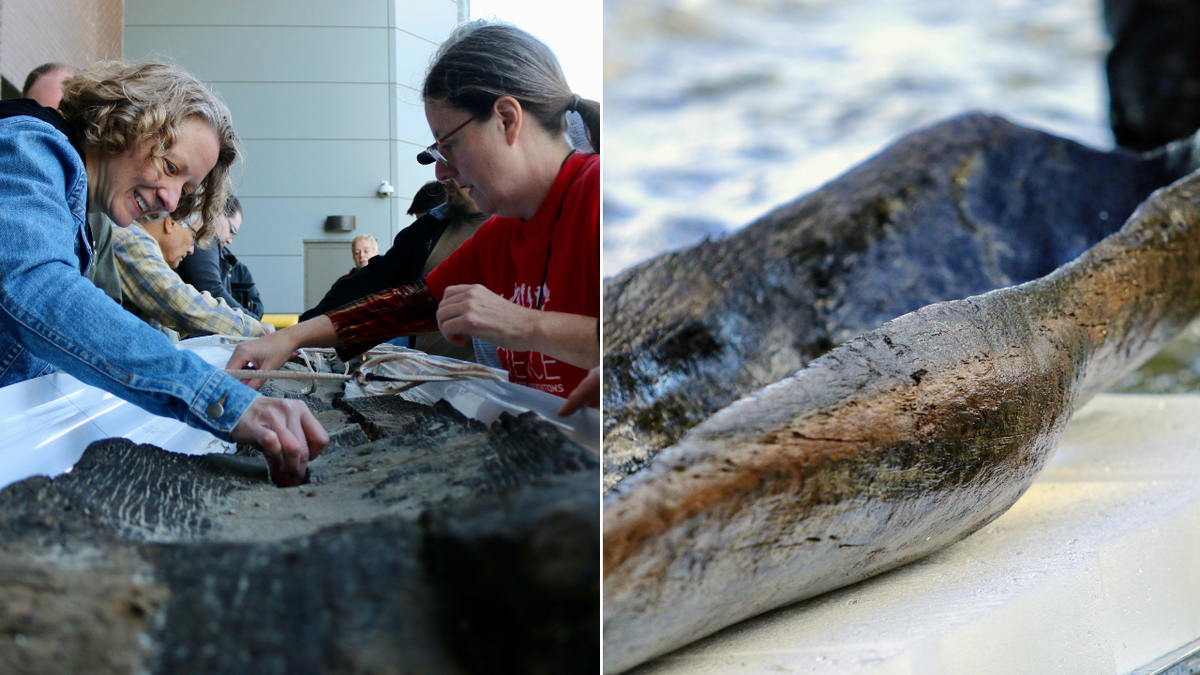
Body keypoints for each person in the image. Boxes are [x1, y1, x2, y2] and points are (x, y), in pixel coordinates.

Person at [229, 19, 600, 410]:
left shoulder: (597, 196)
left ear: (506, 119)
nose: (441, 171)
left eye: (450, 145)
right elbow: (408, 305)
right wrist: (289, 338)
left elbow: (660, 338)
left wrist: (524, 326)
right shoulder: (500, 234)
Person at [0, 60, 326, 486]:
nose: (171, 201)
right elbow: (41, 289)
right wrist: (218, 399)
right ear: (126, 122)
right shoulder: (29, 145)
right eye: (170, 168)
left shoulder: (75, 197)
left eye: (186, 190)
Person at [301, 180, 491, 363]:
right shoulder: (430, 226)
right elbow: (406, 302)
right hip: (434, 379)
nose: (441, 173)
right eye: (357, 252)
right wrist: (299, 334)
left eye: (452, 150)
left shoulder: (504, 228)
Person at [113, 211, 270, 339]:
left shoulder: (140, 245)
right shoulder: (131, 238)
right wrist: (251, 328)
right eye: (193, 238)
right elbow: (178, 302)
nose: (191, 251)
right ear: (171, 223)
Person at [177, 195, 263, 319]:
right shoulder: (206, 238)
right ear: (218, 213)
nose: (230, 241)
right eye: (231, 231)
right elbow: (213, 290)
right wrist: (253, 323)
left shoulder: (233, 263)